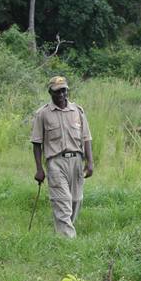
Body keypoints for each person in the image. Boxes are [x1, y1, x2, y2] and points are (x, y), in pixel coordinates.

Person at [31, 76, 94, 238]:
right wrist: (39, 169)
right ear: (50, 92)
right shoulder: (43, 114)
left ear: (67, 91)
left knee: (76, 200)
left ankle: (62, 233)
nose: (61, 94)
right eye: (57, 91)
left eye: (63, 90)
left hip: (76, 161)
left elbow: (86, 138)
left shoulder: (77, 111)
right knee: (62, 201)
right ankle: (68, 241)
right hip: (55, 163)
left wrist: (90, 162)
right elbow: (37, 143)